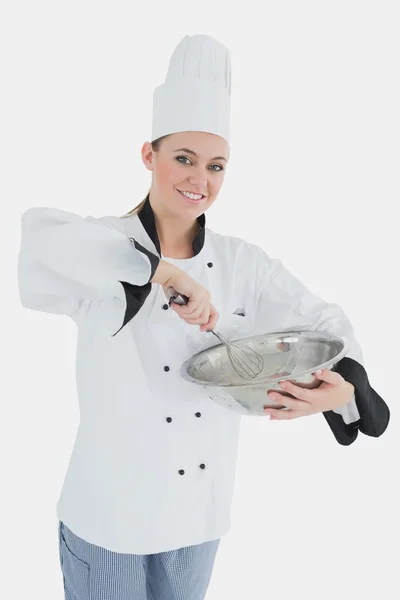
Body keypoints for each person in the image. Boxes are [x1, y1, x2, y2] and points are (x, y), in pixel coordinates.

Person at [17, 34, 389, 600]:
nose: (200, 181)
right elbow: (38, 242)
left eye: (216, 166)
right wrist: (165, 273)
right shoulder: (101, 246)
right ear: (150, 155)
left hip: (199, 519)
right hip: (108, 518)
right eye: (184, 159)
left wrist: (341, 394)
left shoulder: (244, 263)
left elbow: (325, 320)